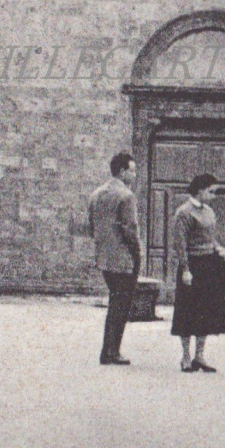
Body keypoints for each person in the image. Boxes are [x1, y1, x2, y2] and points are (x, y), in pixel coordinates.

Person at [171, 173, 225, 373]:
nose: (214, 196)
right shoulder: (184, 212)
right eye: (211, 192)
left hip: (209, 265)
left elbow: (211, 237)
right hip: (192, 266)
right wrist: (185, 269)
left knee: (206, 311)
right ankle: (186, 356)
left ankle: (200, 356)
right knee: (187, 311)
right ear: (200, 190)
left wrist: (218, 248)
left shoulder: (210, 212)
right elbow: (180, 244)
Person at [88, 152, 142, 366]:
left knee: (115, 301)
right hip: (123, 258)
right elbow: (130, 229)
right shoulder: (126, 196)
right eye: (132, 170)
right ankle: (112, 351)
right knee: (121, 305)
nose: (135, 175)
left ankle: (108, 350)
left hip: (104, 256)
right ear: (122, 172)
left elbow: (91, 226)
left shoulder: (97, 193)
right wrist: (137, 253)